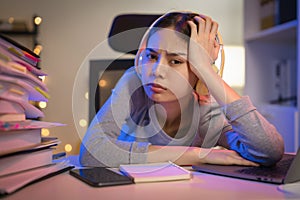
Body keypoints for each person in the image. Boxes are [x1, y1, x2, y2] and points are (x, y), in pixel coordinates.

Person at [79, 11, 284, 168]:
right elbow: (91, 152)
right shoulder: (134, 82)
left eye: (176, 61)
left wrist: (206, 69)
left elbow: (268, 151)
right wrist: (197, 154)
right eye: (151, 56)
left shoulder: (205, 110)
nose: (156, 71)